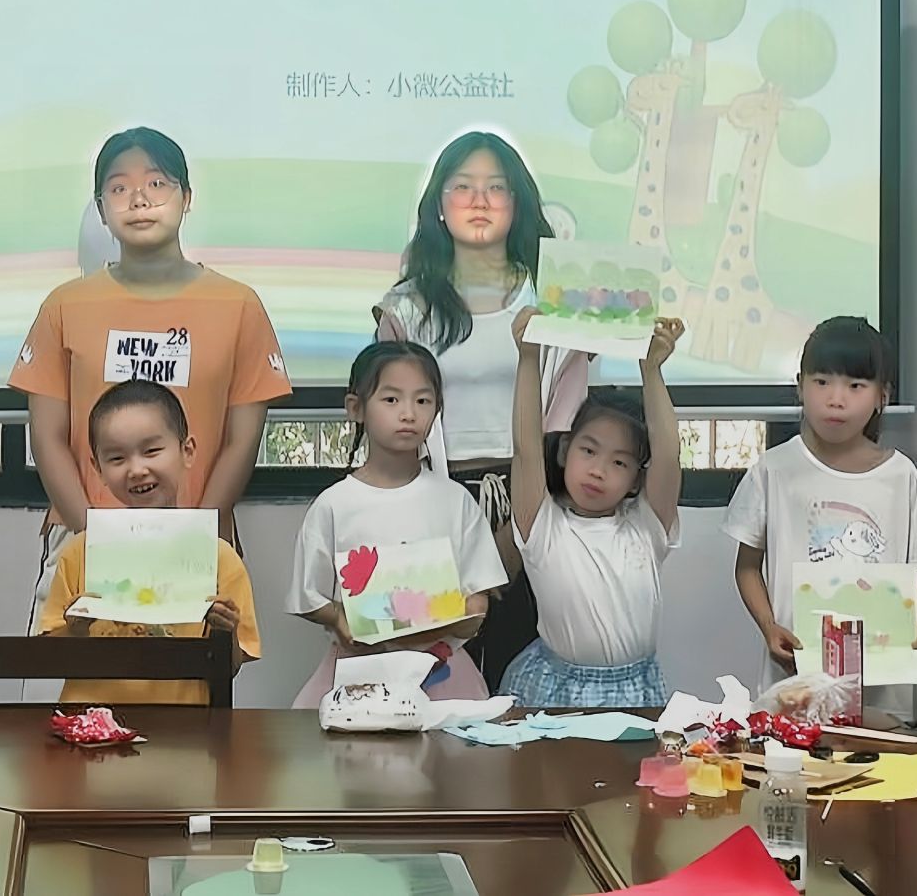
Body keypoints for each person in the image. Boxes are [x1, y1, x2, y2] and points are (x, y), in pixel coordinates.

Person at [11, 127, 291, 620]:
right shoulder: (64, 306)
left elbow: (242, 441)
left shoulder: (238, 305)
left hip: (197, 546)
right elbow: (48, 437)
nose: (139, 199)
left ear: (187, 198)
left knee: (188, 670)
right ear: (101, 209)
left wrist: (193, 538)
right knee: (70, 668)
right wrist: (96, 538)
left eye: (157, 184)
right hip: (82, 542)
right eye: (119, 187)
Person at [373, 131, 590, 690]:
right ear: (438, 205)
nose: (479, 200)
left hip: (536, 507)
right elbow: (389, 428)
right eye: (463, 187)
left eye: (496, 188)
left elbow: (564, 433)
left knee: (522, 686)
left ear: (517, 204)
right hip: (432, 509)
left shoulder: (556, 301)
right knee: (433, 680)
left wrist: (516, 534)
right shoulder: (406, 307)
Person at [721, 315, 917, 723]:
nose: (836, 399)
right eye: (822, 381)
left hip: (882, 683)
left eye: (855, 386)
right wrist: (769, 626)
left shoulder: (901, 475)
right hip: (796, 677)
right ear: (800, 386)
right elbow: (747, 567)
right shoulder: (774, 469)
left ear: (882, 396)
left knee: (879, 759)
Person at [288, 341, 506, 706]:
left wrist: (465, 616)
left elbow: (478, 595)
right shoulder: (334, 504)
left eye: (423, 401)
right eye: (391, 399)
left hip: (442, 672)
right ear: (356, 408)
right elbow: (308, 595)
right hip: (357, 670)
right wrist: (340, 618)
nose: (408, 413)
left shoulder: (456, 501)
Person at [499, 312, 684, 707]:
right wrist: (529, 358)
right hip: (553, 689)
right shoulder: (542, 526)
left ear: (635, 479)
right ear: (565, 451)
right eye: (588, 451)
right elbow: (526, 449)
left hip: (635, 690)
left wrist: (651, 370)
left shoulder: (647, 528)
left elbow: (668, 454)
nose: (598, 470)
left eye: (619, 462)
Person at [36, 379, 260, 704]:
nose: (137, 470)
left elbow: (231, 667)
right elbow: (50, 658)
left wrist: (225, 632)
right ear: (98, 469)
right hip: (90, 725)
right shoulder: (79, 554)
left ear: (187, 451)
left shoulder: (219, 558)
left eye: (152, 451)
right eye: (117, 458)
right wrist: (76, 629)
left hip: (183, 726)